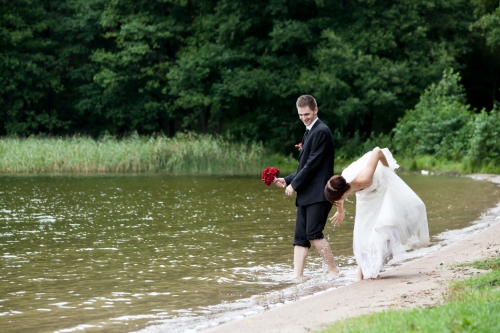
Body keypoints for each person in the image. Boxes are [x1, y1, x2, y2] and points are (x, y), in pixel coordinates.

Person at [324, 147, 429, 281]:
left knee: (385, 227)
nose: (337, 202)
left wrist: (387, 171)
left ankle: (373, 268)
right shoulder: (342, 183)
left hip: (381, 190)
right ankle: (364, 270)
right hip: (365, 199)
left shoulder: (365, 179)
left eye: (337, 201)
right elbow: (337, 195)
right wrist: (340, 212)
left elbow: (377, 151)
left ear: (343, 195)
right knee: (363, 235)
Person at [274, 94, 341, 279]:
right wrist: (287, 180)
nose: (304, 118)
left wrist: (294, 185)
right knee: (300, 238)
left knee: (313, 233)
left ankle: (335, 271)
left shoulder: (321, 131)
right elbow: (304, 167)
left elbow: (313, 164)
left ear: (315, 110)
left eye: (307, 114)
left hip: (319, 194)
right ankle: (298, 277)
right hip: (307, 193)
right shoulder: (309, 131)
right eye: (301, 115)